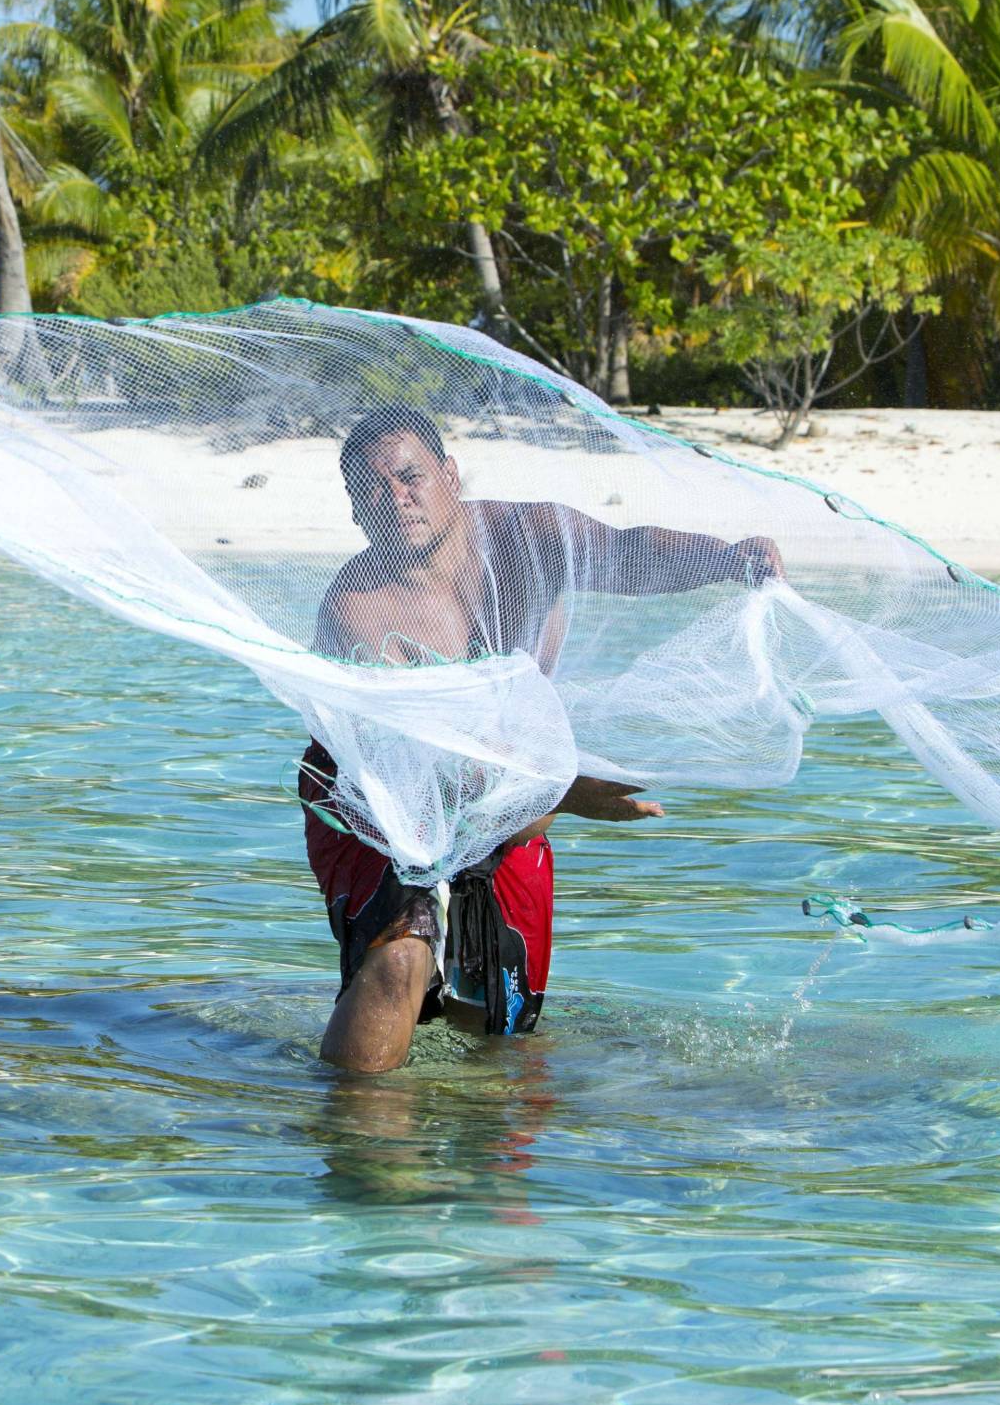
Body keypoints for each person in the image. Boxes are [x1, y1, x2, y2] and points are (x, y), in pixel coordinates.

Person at [303, 407, 782, 1072]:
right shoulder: (357, 608)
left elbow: (625, 553)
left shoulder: (526, 538)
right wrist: (573, 792)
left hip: (517, 784)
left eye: (410, 477)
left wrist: (726, 560)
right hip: (376, 795)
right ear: (356, 512)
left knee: (496, 1019)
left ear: (450, 475)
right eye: (374, 491)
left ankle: (485, 1140)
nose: (397, 499)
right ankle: (360, 1145)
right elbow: (436, 774)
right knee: (402, 958)